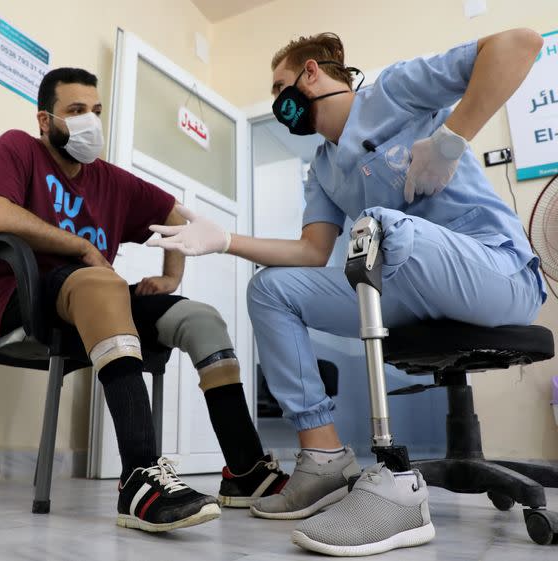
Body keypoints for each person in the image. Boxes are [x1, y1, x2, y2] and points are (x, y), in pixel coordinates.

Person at [148, 29, 545, 555]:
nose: (278, 102)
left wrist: (450, 139)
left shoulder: (395, 91)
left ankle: (396, 478)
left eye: (280, 86)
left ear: (312, 72)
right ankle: (324, 460)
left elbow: (519, 44)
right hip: (406, 288)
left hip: (496, 271)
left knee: (380, 224)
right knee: (271, 290)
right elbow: (313, 252)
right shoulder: (323, 167)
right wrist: (224, 240)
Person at [0, 67, 289, 533]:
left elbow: (174, 217)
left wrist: (171, 277)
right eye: (75, 111)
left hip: (94, 298)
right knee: (101, 279)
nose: (90, 121)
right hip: (21, 296)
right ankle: (139, 475)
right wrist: (80, 246)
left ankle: (245, 470)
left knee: (201, 318)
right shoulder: (18, 148)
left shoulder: (110, 180)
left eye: (96, 111)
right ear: (45, 121)